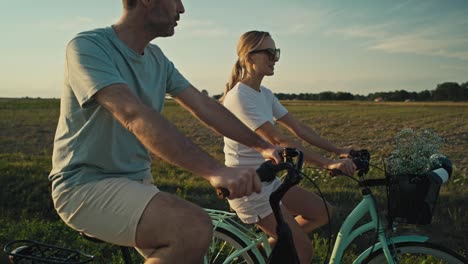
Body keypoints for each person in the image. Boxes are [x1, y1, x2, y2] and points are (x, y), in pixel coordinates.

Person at [48, 2, 283, 264]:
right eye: (176, 0)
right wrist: (215, 170)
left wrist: (262, 146)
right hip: (84, 185)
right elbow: (132, 113)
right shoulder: (89, 46)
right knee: (192, 229)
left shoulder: (157, 58)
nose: (181, 9)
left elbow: (203, 105)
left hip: (137, 182)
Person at [220, 30, 357, 263]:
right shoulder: (240, 97)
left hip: (269, 180)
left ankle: (264, 252)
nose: (275, 59)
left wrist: (337, 150)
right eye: (270, 53)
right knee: (303, 251)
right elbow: (279, 141)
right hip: (250, 187)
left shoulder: (264, 93)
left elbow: (299, 128)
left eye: (277, 53)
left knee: (323, 212)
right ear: (249, 57)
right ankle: (282, 246)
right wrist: (326, 164)